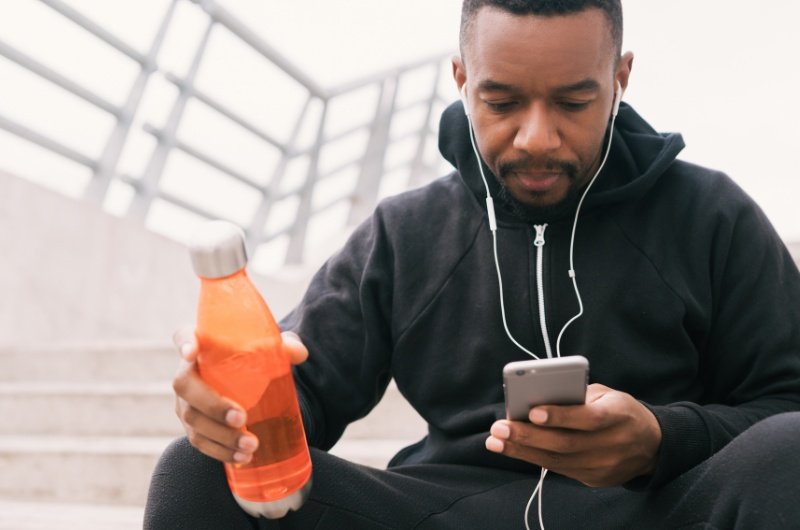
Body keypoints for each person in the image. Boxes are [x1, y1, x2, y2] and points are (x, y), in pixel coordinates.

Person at [145, 1, 800, 528]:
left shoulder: (711, 215)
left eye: (574, 102)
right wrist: (233, 408)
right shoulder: (405, 234)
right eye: (503, 102)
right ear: (462, 80)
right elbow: (299, 394)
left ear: (620, 77)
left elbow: (785, 402)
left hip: (663, 507)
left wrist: (662, 440)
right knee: (195, 473)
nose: (537, 136)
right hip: (447, 509)